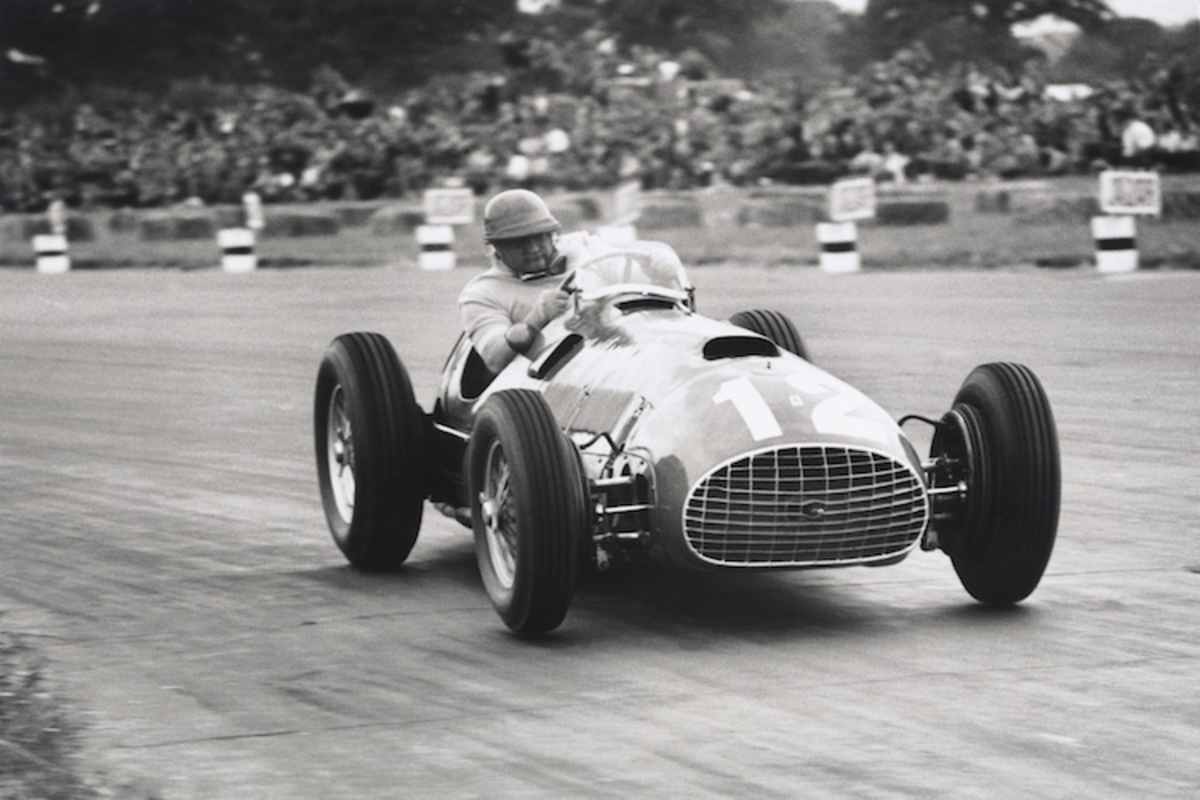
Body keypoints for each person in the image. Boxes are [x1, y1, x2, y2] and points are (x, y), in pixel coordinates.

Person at [457, 189, 575, 373]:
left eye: (539, 237)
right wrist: (538, 317)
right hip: (545, 377)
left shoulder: (584, 250)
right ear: (497, 246)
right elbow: (495, 358)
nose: (533, 249)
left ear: (551, 234)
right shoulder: (482, 293)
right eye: (519, 242)